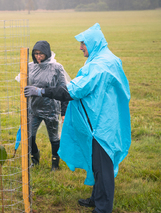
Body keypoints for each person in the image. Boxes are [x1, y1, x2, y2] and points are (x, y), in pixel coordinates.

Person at [24, 23, 131, 213]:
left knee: (103, 167)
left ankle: (102, 208)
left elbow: (74, 90)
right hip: (106, 118)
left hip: (101, 124)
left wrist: (41, 91)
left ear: (93, 43)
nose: (80, 47)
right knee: (97, 164)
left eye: (83, 43)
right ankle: (96, 198)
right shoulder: (106, 58)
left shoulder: (100, 65)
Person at [27, 40, 69, 172]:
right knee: (29, 135)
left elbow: (64, 90)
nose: (38, 56)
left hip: (51, 109)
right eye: (36, 54)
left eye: (41, 54)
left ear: (47, 53)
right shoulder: (30, 67)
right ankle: (35, 158)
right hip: (34, 108)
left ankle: (55, 164)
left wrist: (64, 112)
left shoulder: (56, 68)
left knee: (54, 138)